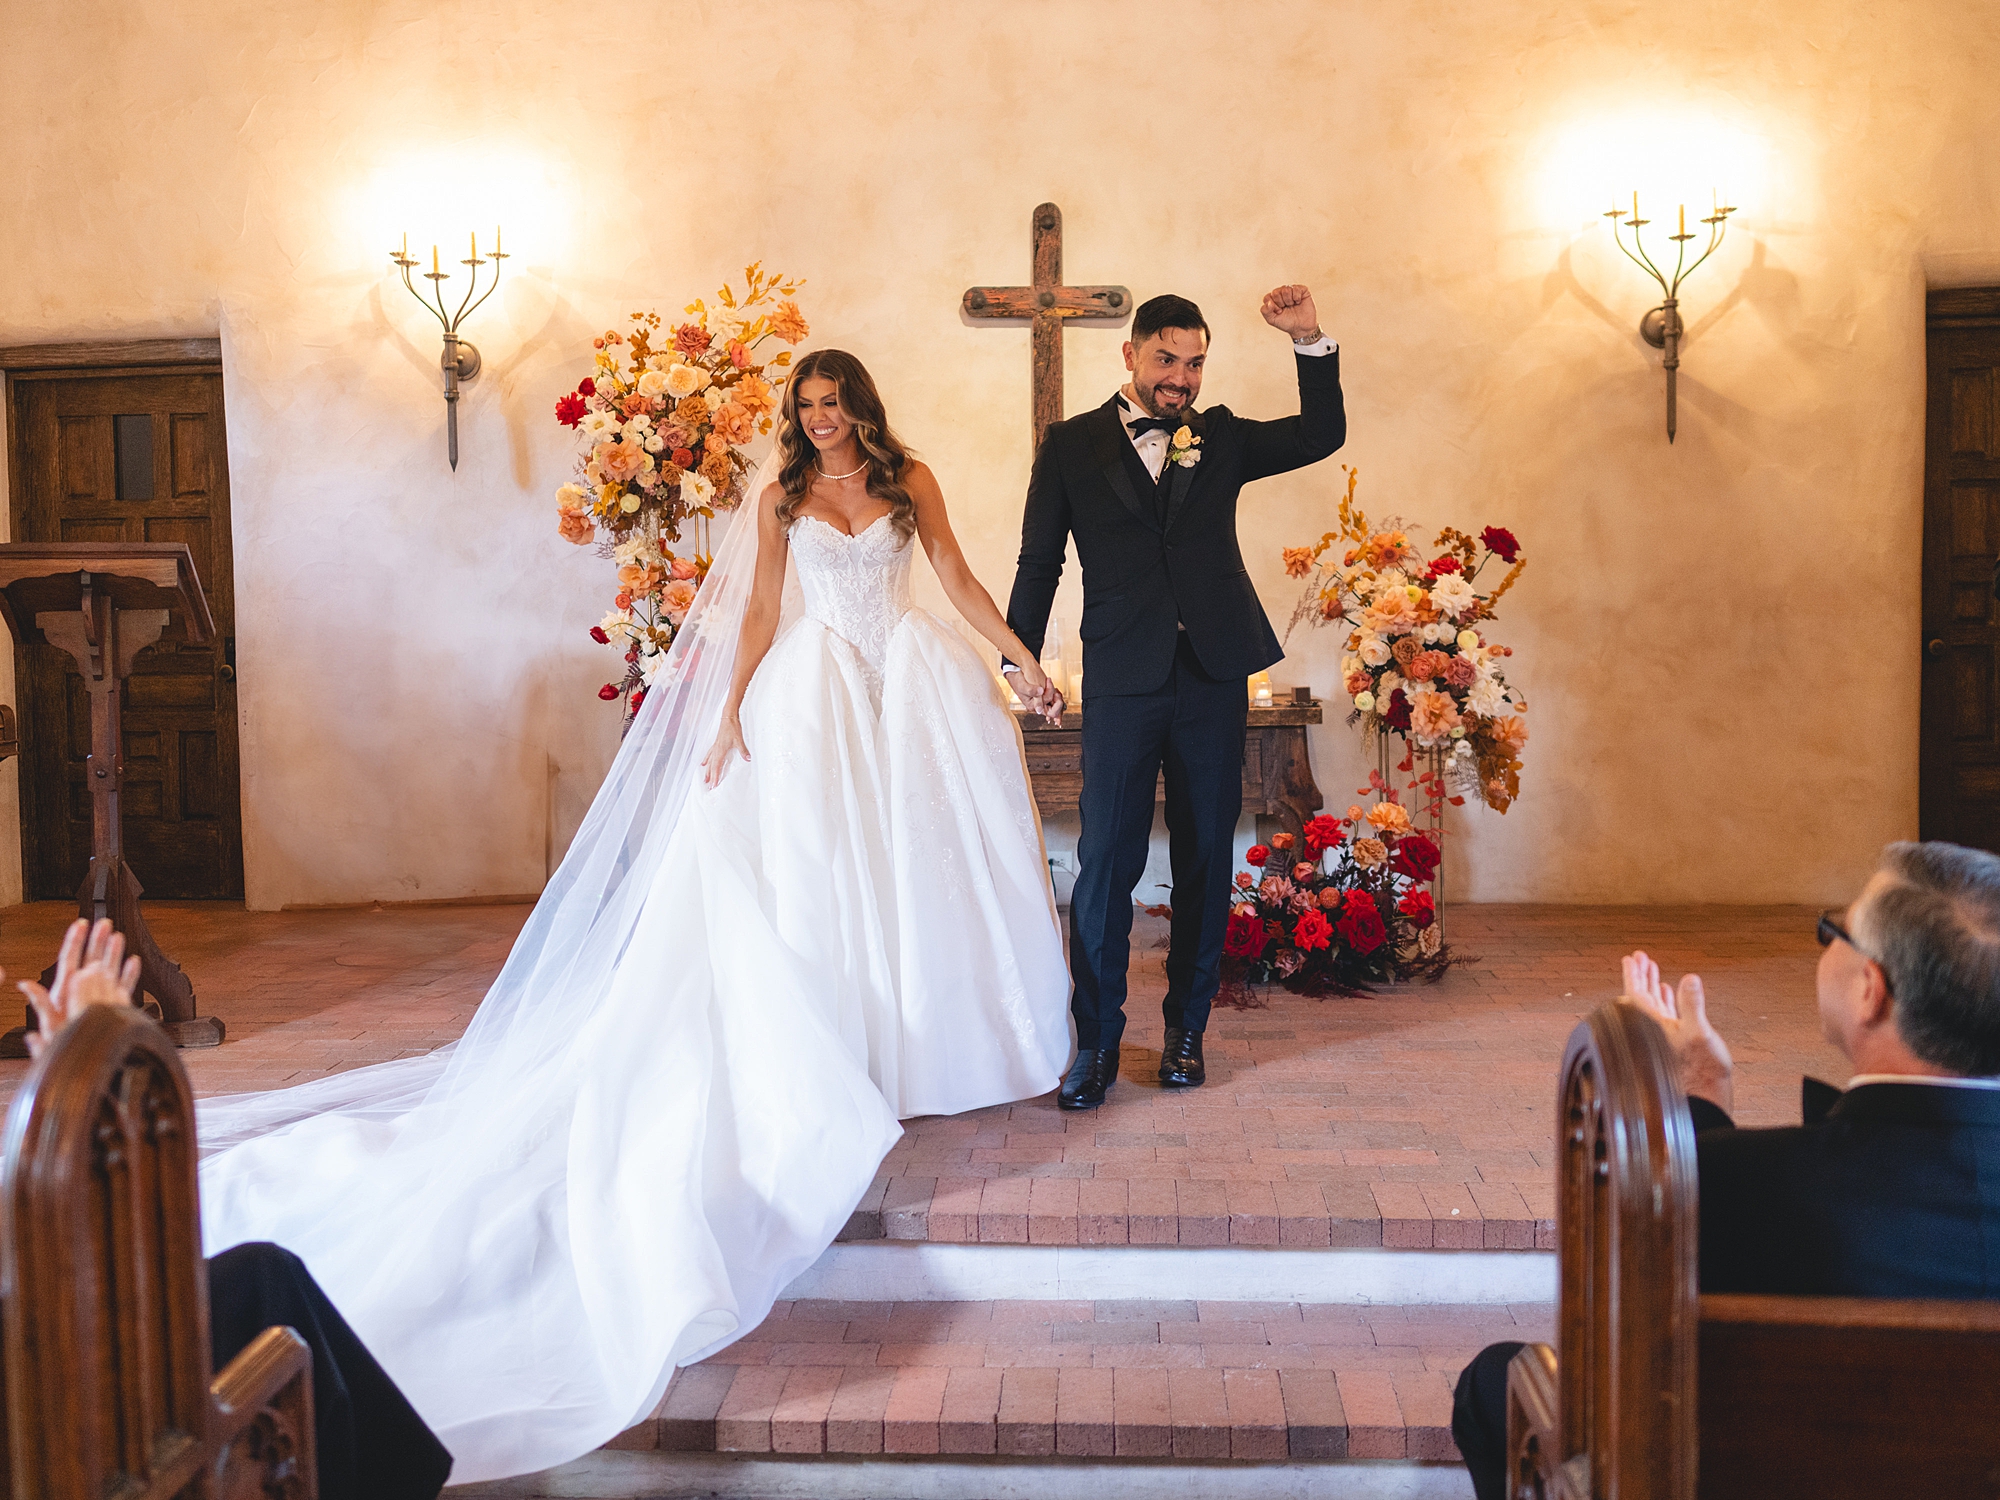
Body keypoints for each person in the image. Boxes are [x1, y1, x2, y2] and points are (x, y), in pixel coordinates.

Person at [192, 349, 1074, 1483]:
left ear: (862, 404)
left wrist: (1019, 663)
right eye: (806, 407)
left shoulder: (911, 480)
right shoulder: (781, 498)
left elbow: (952, 574)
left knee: (919, 868)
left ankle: (933, 1042)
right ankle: (856, 1046)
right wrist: (730, 711)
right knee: (826, 879)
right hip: (812, 694)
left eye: (834, 403)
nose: (821, 419)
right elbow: (761, 609)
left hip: (907, 686)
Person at [1451, 840, 2000, 1500]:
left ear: (1869, 992)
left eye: (1835, 931)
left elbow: (1627, 1384)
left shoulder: (1737, 1188)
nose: (1827, 942)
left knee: (1494, 1383)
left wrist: (1696, 1100)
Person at [1004, 286, 1347, 1108]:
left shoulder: (1219, 437)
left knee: (1203, 857)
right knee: (1105, 864)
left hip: (1212, 674)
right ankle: (1095, 1045)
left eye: (1194, 364)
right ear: (1130, 354)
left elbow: (1321, 434)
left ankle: (1187, 1032)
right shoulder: (1071, 445)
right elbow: (1039, 561)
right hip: (1122, 677)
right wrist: (1020, 660)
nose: (1181, 379)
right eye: (1166, 360)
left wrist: (1308, 339)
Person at [17, 918, 452, 1500]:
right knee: (268, 1288)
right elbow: (67, 1261)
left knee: (262, 1274)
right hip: (54, 1400)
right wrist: (94, 1080)